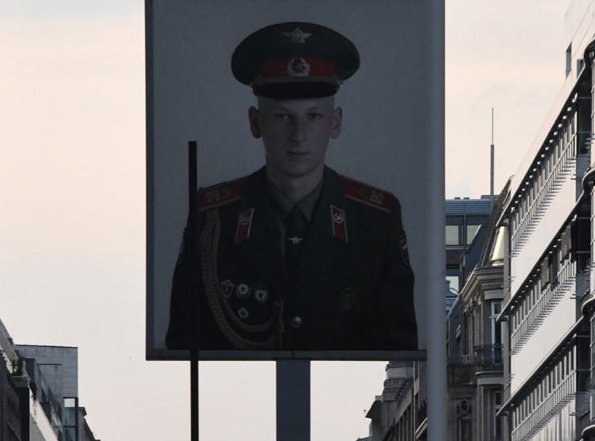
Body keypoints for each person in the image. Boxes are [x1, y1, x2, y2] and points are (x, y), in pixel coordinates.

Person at [165, 20, 418, 354]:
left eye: (313, 116)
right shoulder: (213, 219)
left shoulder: (375, 220)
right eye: (282, 117)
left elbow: (400, 347)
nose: (299, 136)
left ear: (335, 122)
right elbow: (184, 341)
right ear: (255, 122)